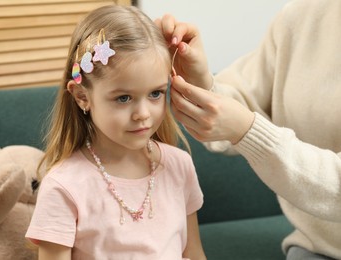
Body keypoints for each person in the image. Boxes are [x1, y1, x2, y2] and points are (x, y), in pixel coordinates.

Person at [156, 0, 341, 259]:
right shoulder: (302, 14)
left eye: (153, 94)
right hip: (316, 249)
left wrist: (246, 131)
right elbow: (245, 97)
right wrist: (201, 83)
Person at [25, 5, 206, 260]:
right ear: (82, 97)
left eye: (155, 93)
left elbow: (195, 253)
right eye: (123, 98)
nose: (143, 113)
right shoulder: (64, 187)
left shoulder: (180, 166)